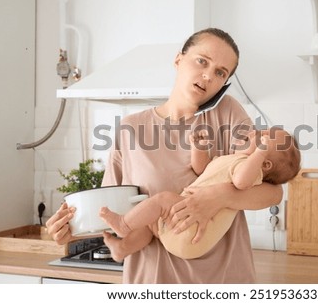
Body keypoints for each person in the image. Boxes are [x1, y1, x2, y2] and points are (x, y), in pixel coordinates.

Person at [46, 27, 283, 283]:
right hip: (152, 279)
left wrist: (217, 197)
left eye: (220, 73)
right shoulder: (131, 129)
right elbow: (108, 214)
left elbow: (273, 193)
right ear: (178, 59)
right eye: (202, 61)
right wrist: (67, 230)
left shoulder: (227, 114)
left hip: (224, 278)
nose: (207, 75)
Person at [99, 127, 301, 262]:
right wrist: (199, 147)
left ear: (265, 164)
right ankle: (122, 248)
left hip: (193, 231)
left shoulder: (250, 171)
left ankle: (124, 224)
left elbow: (241, 182)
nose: (263, 132)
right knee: (151, 224)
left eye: (268, 138)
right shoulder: (233, 159)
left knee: (162, 199)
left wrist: (259, 152)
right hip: (181, 227)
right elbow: (202, 168)